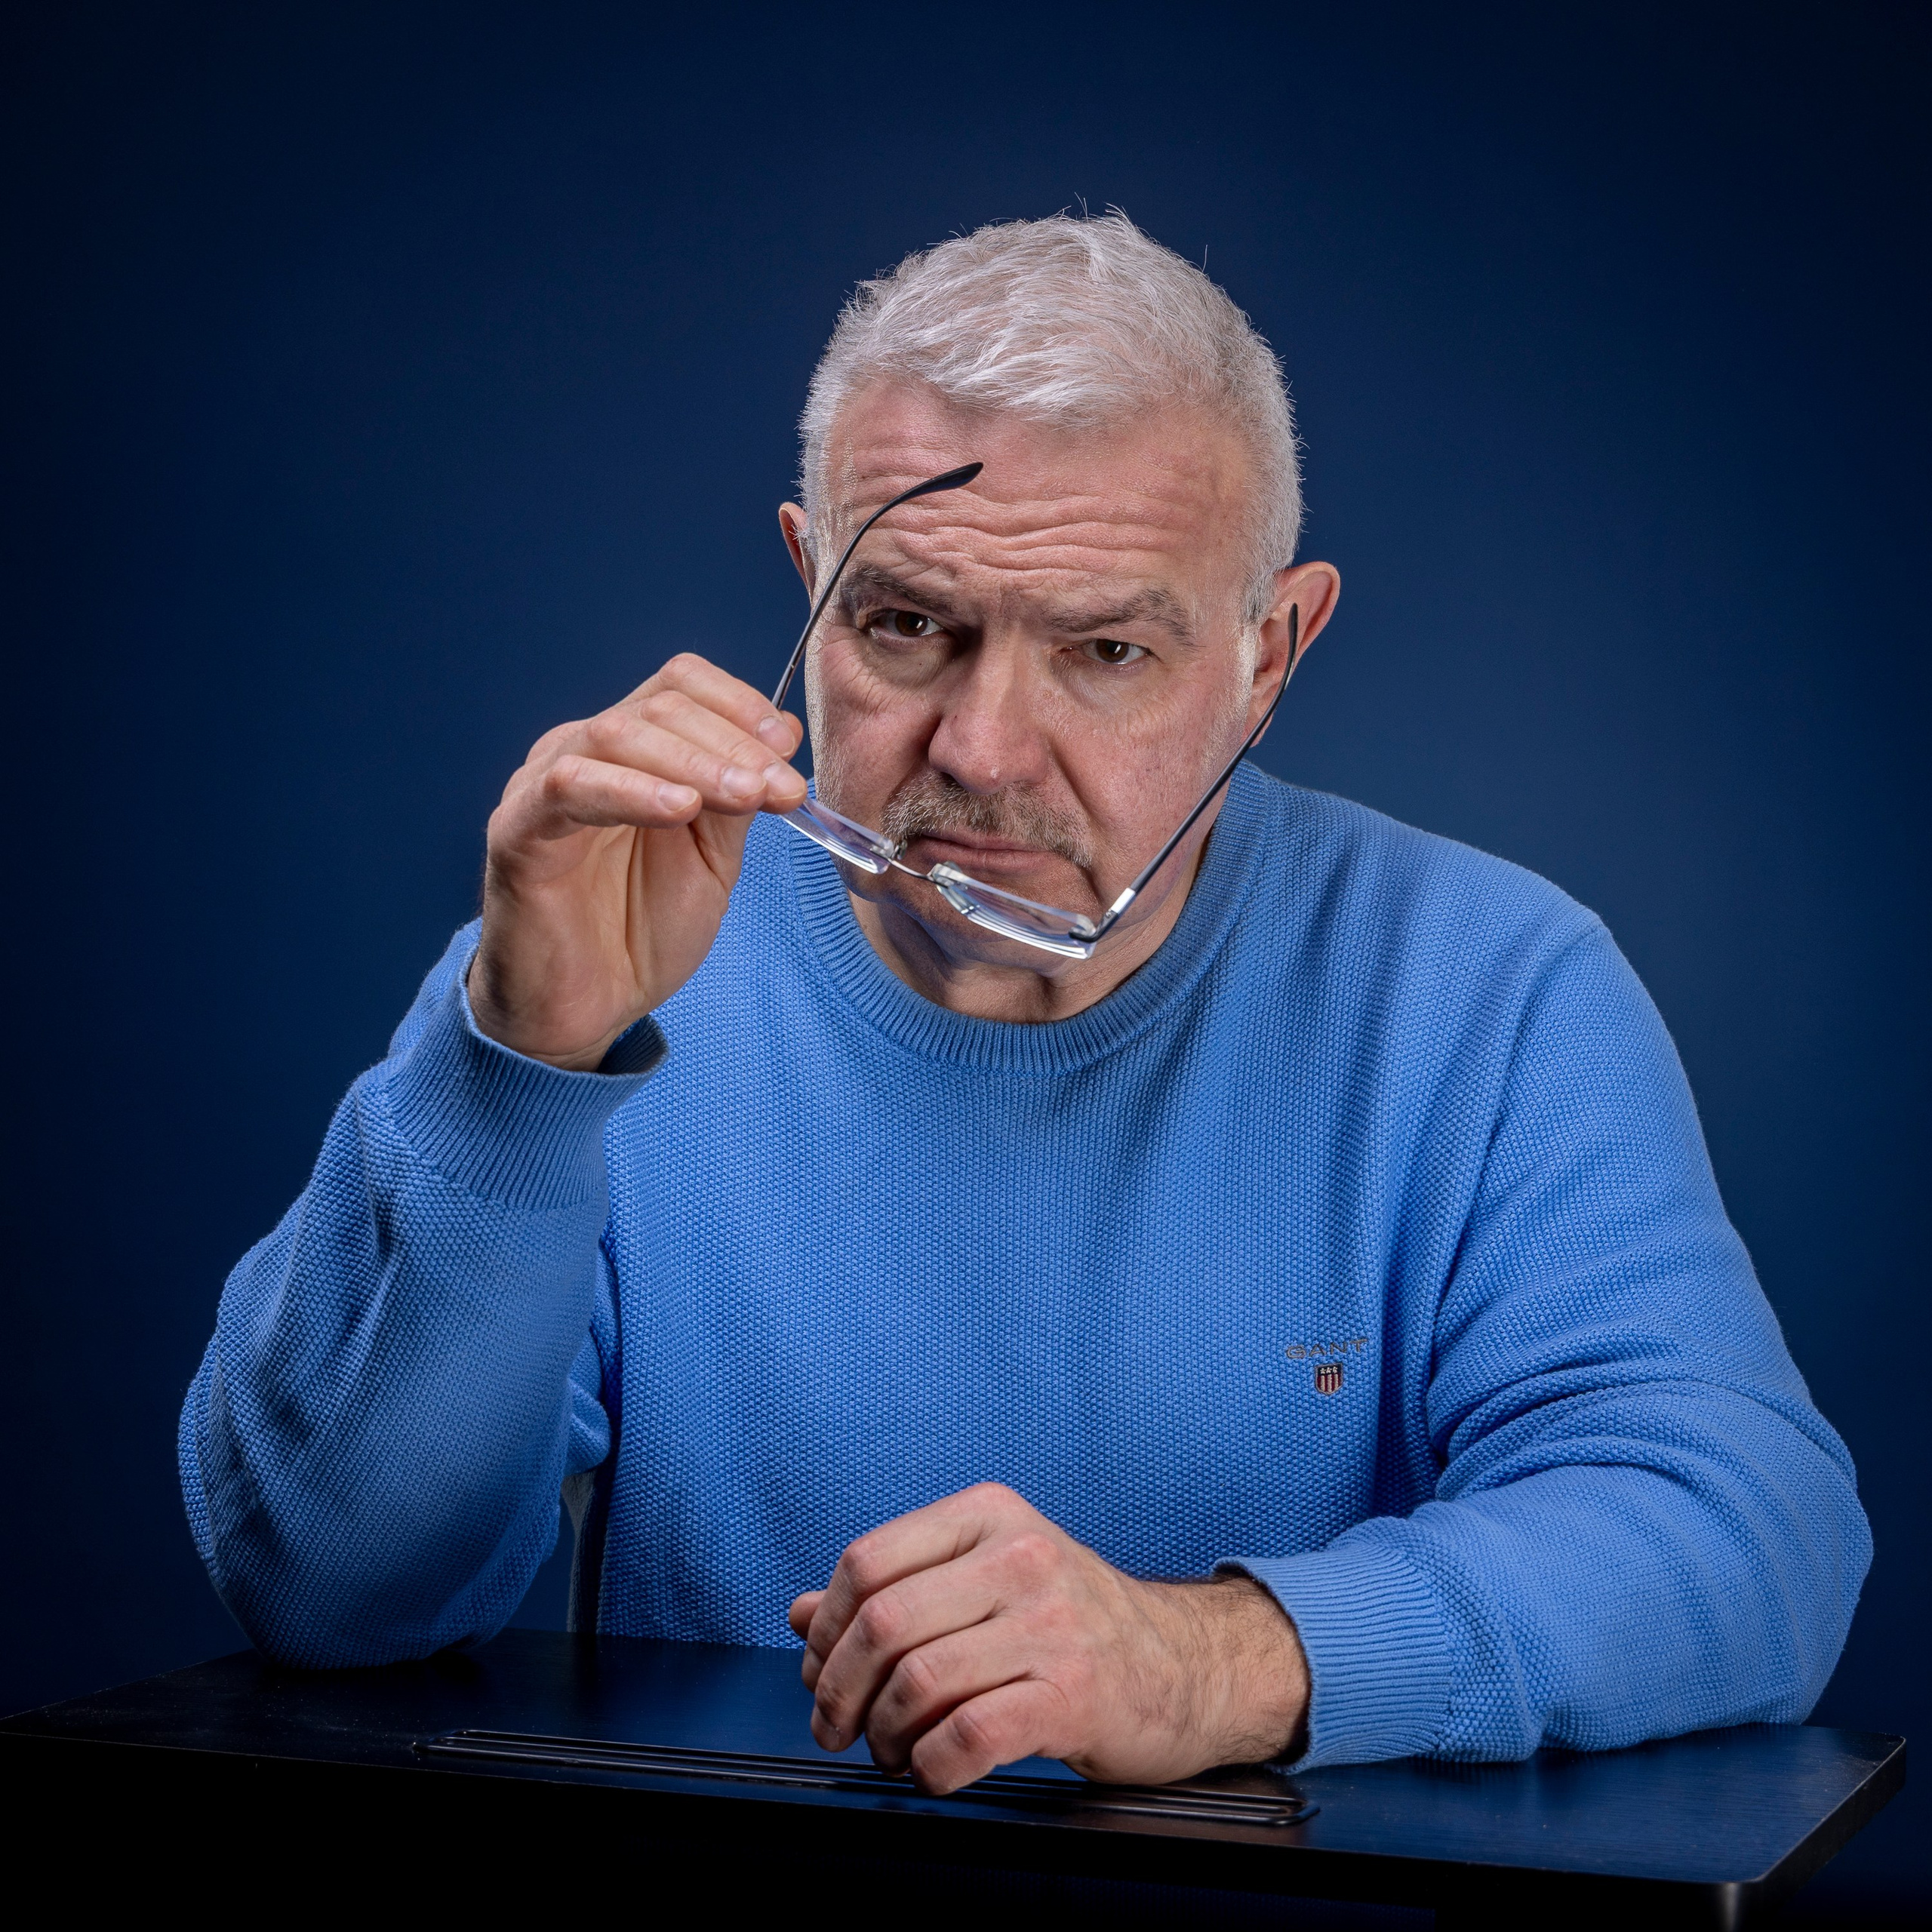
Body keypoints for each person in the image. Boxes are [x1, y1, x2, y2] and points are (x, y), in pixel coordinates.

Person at [180, 213, 1868, 1797]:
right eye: (906, 624)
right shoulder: (606, 949)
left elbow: (1742, 1535)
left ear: (1267, 655)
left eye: (1106, 653)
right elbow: (323, 1588)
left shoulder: (1488, 988)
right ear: (808, 584)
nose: (980, 754)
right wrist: (516, 1064)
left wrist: (1211, 1655)